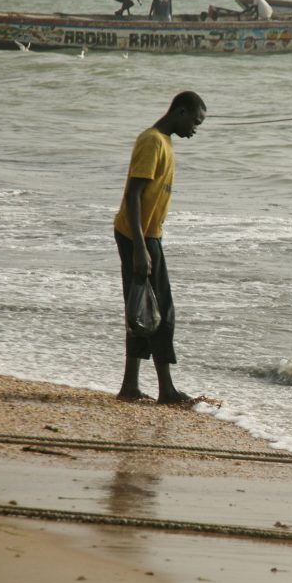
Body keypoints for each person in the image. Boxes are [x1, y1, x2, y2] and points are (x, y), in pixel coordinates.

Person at [113, 91, 207, 405]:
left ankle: (130, 386)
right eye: (195, 122)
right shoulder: (152, 141)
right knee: (160, 310)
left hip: (147, 234)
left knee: (140, 307)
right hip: (138, 235)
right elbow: (133, 195)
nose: (195, 129)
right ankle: (166, 390)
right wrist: (140, 247)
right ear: (180, 112)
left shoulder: (165, 142)